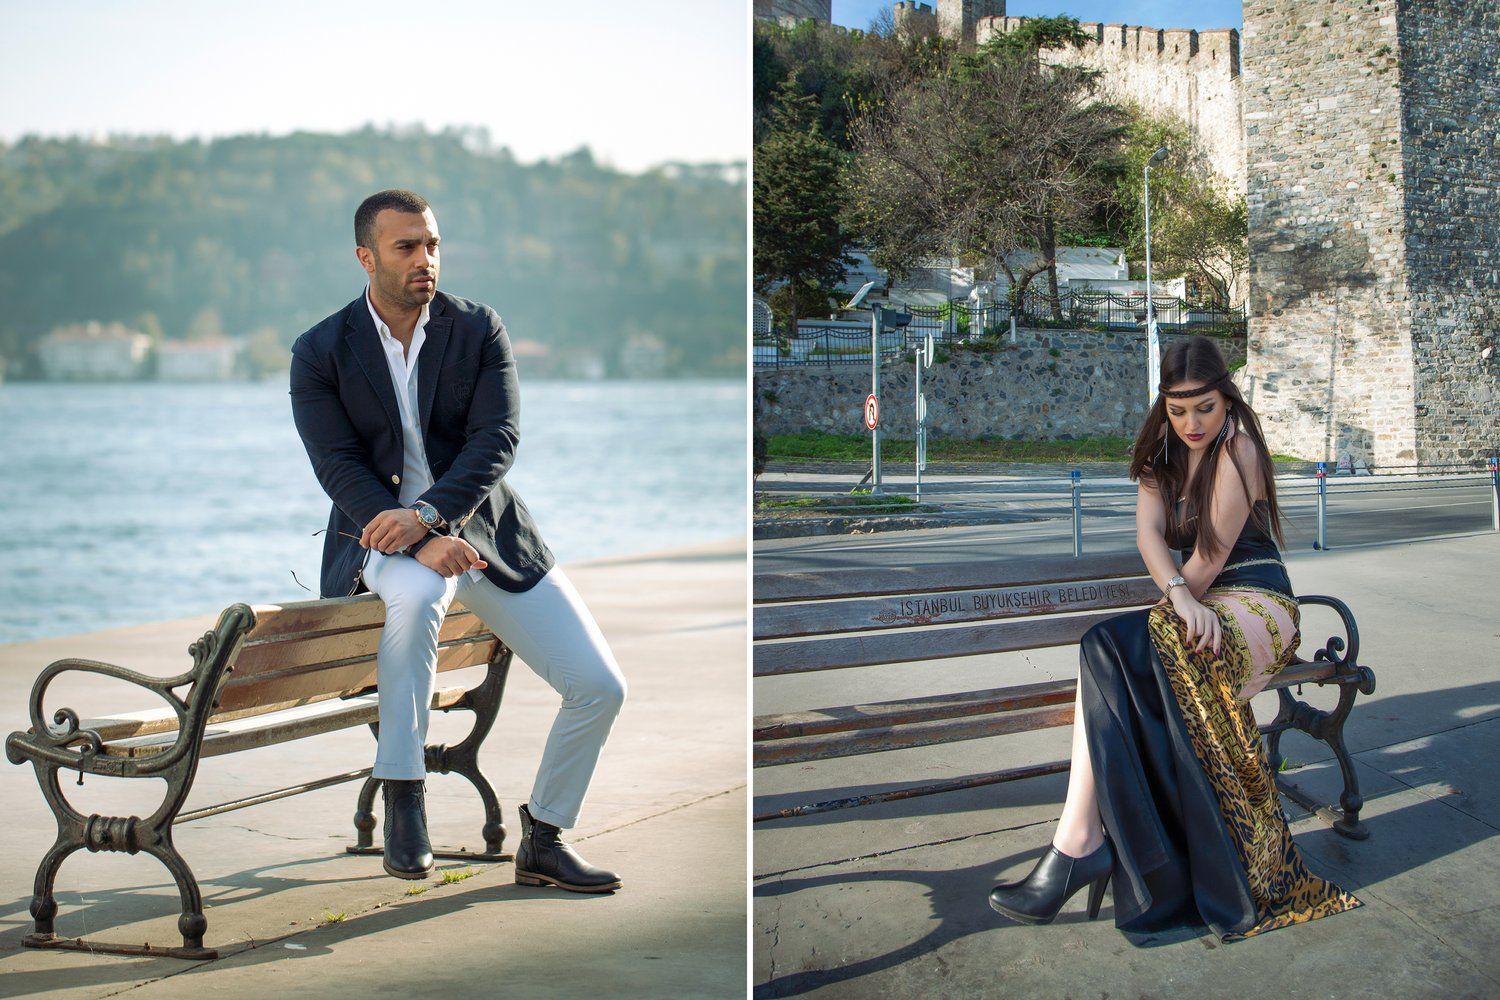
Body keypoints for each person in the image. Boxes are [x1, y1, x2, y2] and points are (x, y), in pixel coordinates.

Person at [289, 189, 627, 892]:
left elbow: (496, 439)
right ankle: (403, 793)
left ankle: (546, 834)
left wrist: (434, 518)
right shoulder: (320, 350)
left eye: (433, 244)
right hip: (381, 543)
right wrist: (412, 539)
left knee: (599, 686)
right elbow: (338, 467)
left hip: (487, 535)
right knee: (414, 599)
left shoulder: (478, 329)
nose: (425, 260)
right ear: (365, 257)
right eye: (406, 246)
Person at [987, 335, 1363, 941]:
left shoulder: (1239, 451)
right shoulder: (1160, 460)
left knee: (1124, 647)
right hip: (1197, 603)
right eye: (1178, 408)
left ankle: (1077, 849)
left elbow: (1211, 557)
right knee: (1104, 649)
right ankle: (1080, 841)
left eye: (1205, 407)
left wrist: (1179, 599)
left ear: (1227, 400)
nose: (1192, 422)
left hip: (1258, 605)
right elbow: (1149, 539)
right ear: (1163, 406)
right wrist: (1178, 597)